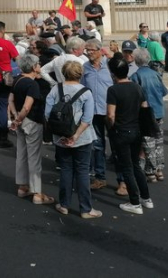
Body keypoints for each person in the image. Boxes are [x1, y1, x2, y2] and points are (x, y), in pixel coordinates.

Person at [46, 61, 101, 219]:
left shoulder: (56, 89)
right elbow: (87, 118)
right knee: (83, 171)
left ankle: (64, 204)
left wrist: (62, 133)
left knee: (66, 169)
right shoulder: (86, 92)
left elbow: (48, 114)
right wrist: (75, 135)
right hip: (82, 137)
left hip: (61, 136)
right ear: (80, 74)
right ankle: (86, 208)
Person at [106, 55, 153, 215]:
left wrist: (111, 128)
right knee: (136, 165)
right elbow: (145, 107)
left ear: (113, 73)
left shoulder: (113, 90)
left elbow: (111, 115)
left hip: (121, 130)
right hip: (137, 129)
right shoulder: (137, 87)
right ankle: (146, 198)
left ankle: (134, 202)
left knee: (126, 167)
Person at [8, 54, 53, 205]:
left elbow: (11, 100)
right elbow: (27, 106)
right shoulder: (32, 84)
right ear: (34, 67)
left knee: (21, 153)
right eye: (38, 64)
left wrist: (15, 117)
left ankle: (22, 186)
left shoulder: (17, 80)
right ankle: (37, 192)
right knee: (34, 157)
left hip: (20, 121)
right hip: (32, 121)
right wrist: (19, 118)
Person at [80, 38, 115, 193]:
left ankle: (122, 180)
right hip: (93, 111)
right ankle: (100, 177)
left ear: (100, 50)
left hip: (110, 111)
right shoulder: (85, 67)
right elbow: (82, 87)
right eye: (87, 50)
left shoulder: (110, 65)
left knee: (116, 145)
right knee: (97, 145)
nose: (88, 52)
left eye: (91, 50)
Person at [130, 48, 168, 182]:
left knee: (148, 142)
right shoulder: (155, 73)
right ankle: (159, 169)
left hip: (146, 112)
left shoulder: (136, 76)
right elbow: (164, 91)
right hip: (158, 110)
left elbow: (134, 96)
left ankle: (150, 170)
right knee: (158, 140)